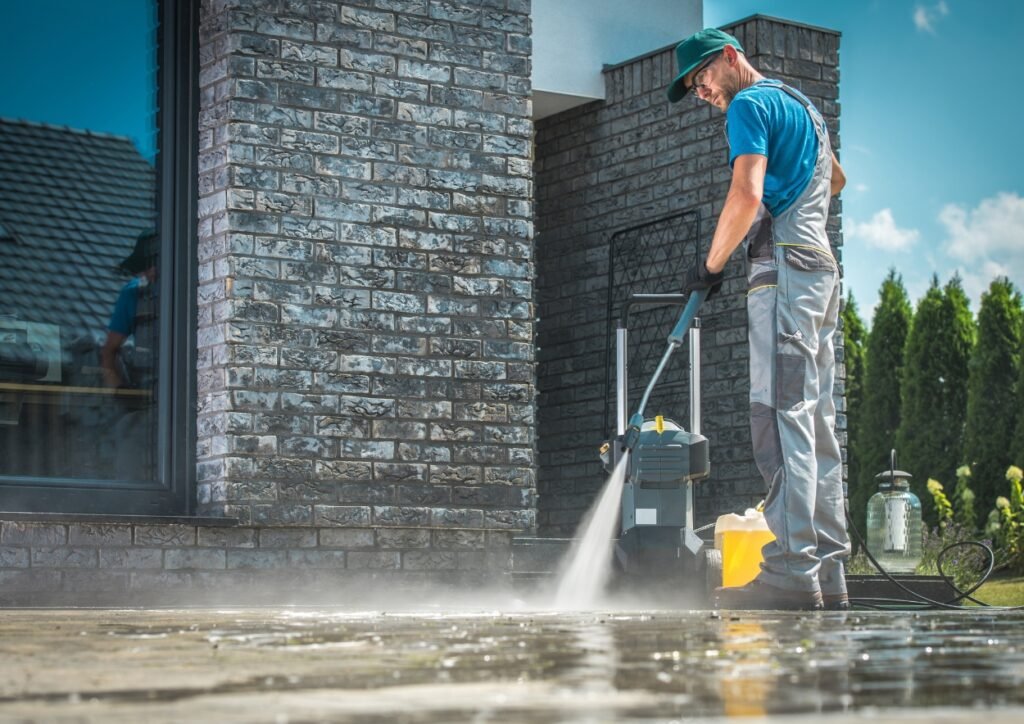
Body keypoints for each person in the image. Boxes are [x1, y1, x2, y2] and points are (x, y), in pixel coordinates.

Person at [668, 29, 849, 610]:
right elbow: (836, 181)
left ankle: (792, 571)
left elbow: (745, 195)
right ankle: (828, 571)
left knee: (779, 416)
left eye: (702, 77)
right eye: (694, 87)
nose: (701, 91)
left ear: (729, 56)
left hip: (787, 275)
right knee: (815, 420)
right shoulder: (804, 108)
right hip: (819, 269)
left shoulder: (748, 104)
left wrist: (710, 265)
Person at [100, 231, 157, 389]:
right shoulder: (133, 294)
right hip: (148, 395)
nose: (151, 271)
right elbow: (108, 352)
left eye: (155, 264)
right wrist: (120, 392)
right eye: (146, 265)